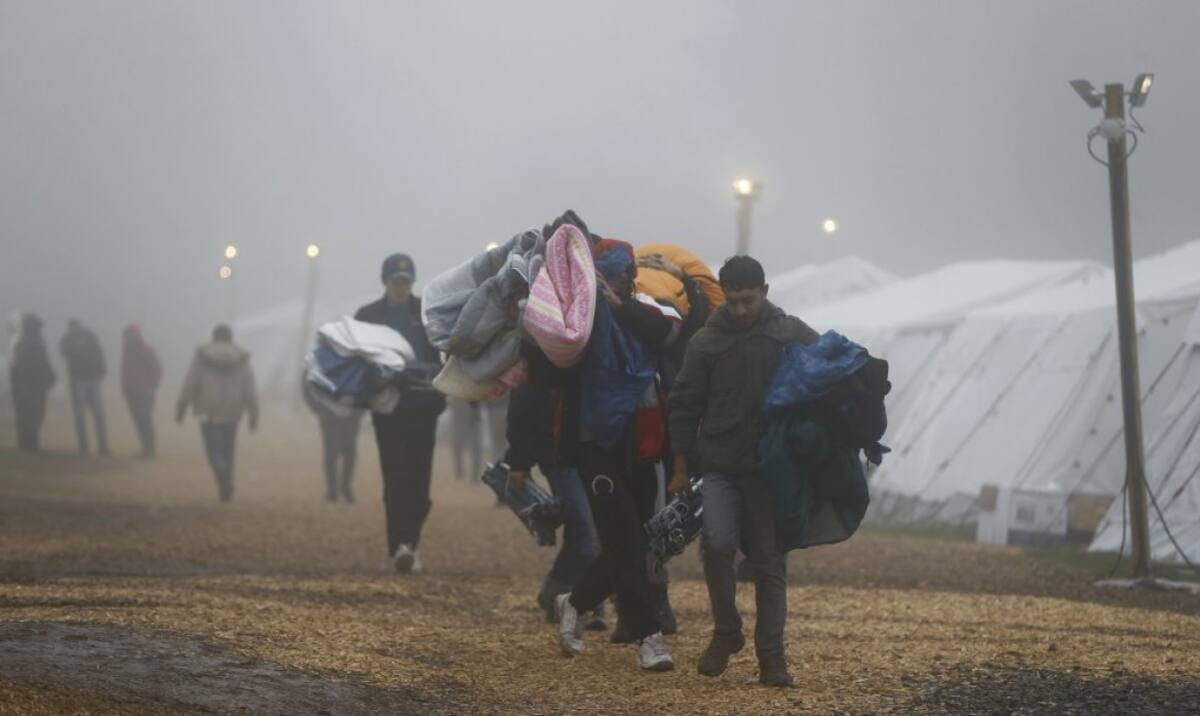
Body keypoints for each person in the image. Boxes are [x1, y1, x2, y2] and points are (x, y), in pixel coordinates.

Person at [668, 255, 818, 688]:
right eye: (731, 301)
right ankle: (726, 632)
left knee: (769, 562)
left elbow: (828, 365)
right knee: (717, 544)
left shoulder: (787, 332)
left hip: (770, 471)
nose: (738, 311)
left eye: (747, 301)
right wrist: (679, 466)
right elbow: (684, 404)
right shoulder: (705, 341)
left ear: (765, 293)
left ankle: (772, 658)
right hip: (718, 465)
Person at [549, 236, 677, 672]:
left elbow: (667, 333)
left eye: (623, 274)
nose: (616, 282)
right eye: (608, 275)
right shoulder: (579, 320)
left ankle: (577, 600)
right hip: (595, 446)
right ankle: (649, 637)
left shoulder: (646, 310)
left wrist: (622, 307)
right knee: (622, 537)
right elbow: (550, 354)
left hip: (642, 443)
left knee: (634, 542)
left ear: (632, 276)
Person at [355, 253, 446, 574]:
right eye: (396, 281)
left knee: (420, 484)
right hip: (388, 410)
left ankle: (411, 540)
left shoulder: (426, 313)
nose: (401, 287)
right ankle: (400, 546)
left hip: (424, 409)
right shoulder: (367, 316)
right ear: (385, 281)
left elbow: (443, 355)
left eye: (406, 282)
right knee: (395, 477)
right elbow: (358, 362)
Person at [176, 324, 259, 502]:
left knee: (213, 449)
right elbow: (249, 388)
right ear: (230, 338)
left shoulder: (202, 356)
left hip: (208, 411)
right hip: (232, 411)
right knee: (229, 450)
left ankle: (222, 475)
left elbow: (191, 383)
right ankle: (226, 485)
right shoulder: (241, 358)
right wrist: (253, 413)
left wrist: (181, 407)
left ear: (214, 337)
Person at [302, 380, 364, 502]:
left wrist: (358, 411)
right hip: (329, 417)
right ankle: (332, 490)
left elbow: (367, 384)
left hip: (351, 416)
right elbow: (307, 385)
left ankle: (345, 488)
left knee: (349, 453)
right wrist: (320, 409)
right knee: (331, 452)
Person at [60, 318, 110, 455]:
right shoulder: (68, 339)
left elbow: (99, 352)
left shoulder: (89, 336)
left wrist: (102, 370)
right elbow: (64, 353)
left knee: (97, 415)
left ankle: (101, 446)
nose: (75, 329)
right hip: (80, 380)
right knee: (82, 416)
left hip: (89, 379)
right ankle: (86, 447)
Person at [9, 313, 55, 452]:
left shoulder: (30, 342)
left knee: (29, 414)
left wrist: (49, 376)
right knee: (31, 414)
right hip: (30, 386)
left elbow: (43, 363)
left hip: (31, 385)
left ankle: (27, 443)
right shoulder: (26, 343)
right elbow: (20, 366)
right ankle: (29, 443)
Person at [120, 324, 162, 458]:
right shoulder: (127, 351)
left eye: (130, 335)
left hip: (145, 392)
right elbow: (125, 370)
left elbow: (157, 369)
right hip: (131, 391)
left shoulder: (147, 350)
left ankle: (150, 450)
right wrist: (125, 387)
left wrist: (152, 386)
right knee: (138, 421)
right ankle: (145, 448)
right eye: (127, 335)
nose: (128, 338)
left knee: (145, 420)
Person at [448, 398, 483, 480]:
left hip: (467, 415)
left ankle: (464, 472)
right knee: (474, 446)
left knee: (461, 445)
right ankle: (472, 474)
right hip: (470, 415)